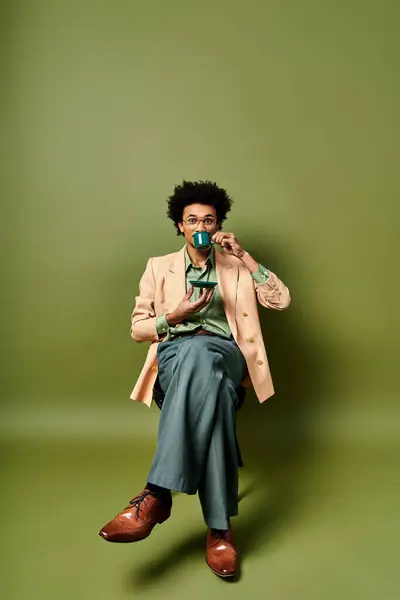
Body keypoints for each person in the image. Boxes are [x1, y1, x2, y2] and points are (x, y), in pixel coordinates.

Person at [99, 180, 291, 578]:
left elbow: (280, 300)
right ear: (180, 226)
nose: (200, 225)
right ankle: (219, 528)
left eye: (208, 219)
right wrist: (175, 316)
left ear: (219, 224)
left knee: (206, 356)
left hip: (227, 354)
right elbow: (138, 328)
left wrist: (245, 256)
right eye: (192, 220)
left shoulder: (237, 265)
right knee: (214, 392)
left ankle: (156, 495)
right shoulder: (158, 267)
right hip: (173, 356)